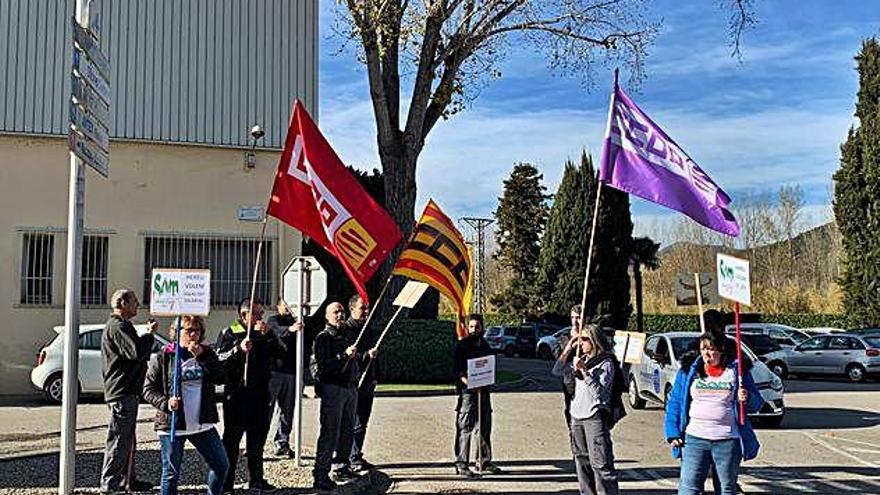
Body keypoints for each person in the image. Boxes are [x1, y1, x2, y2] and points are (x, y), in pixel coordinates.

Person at [665, 329, 764, 495]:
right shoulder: (689, 371)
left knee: (726, 489)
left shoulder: (736, 372)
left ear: (721, 350)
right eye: (703, 349)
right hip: (694, 439)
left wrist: (746, 397)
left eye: (711, 349)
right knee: (688, 488)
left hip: (727, 440)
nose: (706, 353)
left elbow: (756, 404)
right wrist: (673, 432)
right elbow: (675, 402)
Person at [143, 315, 229, 495]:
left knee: (221, 465)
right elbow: (148, 389)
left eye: (197, 330)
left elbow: (221, 377)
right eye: (188, 330)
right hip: (173, 423)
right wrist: (166, 403)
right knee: (171, 474)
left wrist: (203, 358)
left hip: (202, 423)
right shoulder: (164, 356)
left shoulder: (206, 353)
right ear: (177, 333)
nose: (193, 335)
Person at [215, 298, 285, 493]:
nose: (261, 317)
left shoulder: (264, 333)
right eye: (256, 313)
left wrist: (270, 336)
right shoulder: (230, 332)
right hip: (237, 396)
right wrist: (238, 349)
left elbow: (281, 355)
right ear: (244, 315)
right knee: (231, 442)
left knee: (256, 442)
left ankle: (256, 480)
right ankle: (227, 484)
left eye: (261, 313)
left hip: (261, 395)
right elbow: (219, 360)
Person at [100, 289, 156, 494]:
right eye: (134, 301)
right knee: (119, 439)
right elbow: (136, 351)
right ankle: (110, 485)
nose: (138, 304)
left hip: (127, 390)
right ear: (123, 303)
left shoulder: (121, 326)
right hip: (122, 391)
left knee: (128, 439)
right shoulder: (118, 326)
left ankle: (128, 480)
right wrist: (149, 335)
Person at [552, 324, 619, 495]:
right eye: (578, 340)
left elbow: (600, 393)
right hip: (576, 417)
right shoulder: (579, 358)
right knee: (581, 463)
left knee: (601, 464)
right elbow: (557, 370)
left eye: (584, 340)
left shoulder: (606, 362)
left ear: (595, 341)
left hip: (594, 417)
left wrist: (584, 371)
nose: (580, 344)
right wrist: (568, 347)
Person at [312, 302, 366, 490]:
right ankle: (320, 474)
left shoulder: (346, 335)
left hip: (350, 388)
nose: (340, 315)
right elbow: (324, 366)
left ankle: (342, 466)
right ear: (327, 316)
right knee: (330, 432)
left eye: (342, 311)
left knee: (347, 430)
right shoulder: (323, 337)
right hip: (333, 389)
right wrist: (344, 355)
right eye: (336, 312)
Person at [453, 313, 501, 478]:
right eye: (471, 327)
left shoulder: (485, 345)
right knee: (465, 428)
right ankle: (461, 464)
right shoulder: (462, 346)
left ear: (482, 327)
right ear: (467, 328)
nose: (474, 330)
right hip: (468, 394)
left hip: (484, 392)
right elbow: (458, 372)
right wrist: (471, 383)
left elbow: (489, 367)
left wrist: (486, 381)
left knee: (484, 427)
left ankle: (484, 461)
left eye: (477, 327)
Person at [346, 294, 380, 472]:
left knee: (362, 422)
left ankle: (357, 454)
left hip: (367, 382)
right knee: (353, 421)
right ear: (352, 309)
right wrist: (367, 354)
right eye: (362, 308)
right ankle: (350, 457)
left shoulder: (368, 329)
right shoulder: (347, 330)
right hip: (353, 383)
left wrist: (375, 375)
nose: (366, 311)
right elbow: (348, 357)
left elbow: (375, 356)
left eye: (367, 308)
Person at [266, 298, 302, 457]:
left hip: (292, 372)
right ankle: (256, 442)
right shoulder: (273, 321)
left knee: (287, 410)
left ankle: (282, 443)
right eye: (285, 305)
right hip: (274, 372)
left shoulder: (299, 322)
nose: (288, 308)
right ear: (278, 306)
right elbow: (276, 331)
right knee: (266, 409)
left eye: (291, 305)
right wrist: (291, 329)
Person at [554, 305, 583, 429]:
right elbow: (558, 361)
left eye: (578, 318)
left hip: (585, 379)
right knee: (571, 411)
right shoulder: (564, 337)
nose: (575, 321)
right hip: (570, 381)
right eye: (572, 317)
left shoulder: (589, 335)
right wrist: (570, 345)